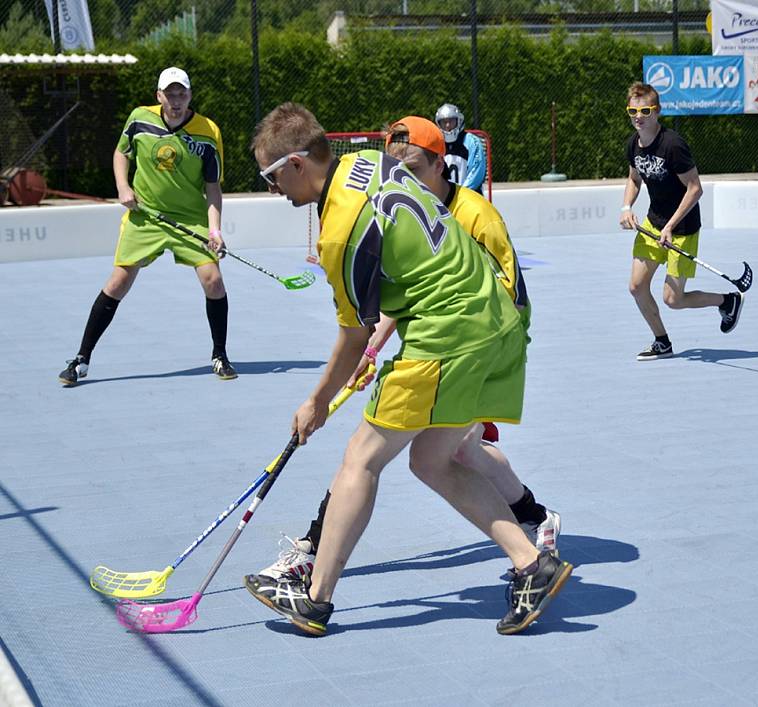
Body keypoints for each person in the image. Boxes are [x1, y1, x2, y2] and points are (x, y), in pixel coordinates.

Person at [244, 102, 572, 636]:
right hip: (493, 321)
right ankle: (532, 563)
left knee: (361, 458)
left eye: (271, 176)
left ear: (299, 163)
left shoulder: (335, 235)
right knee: (432, 460)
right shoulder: (368, 163)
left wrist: (317, 402)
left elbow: (352, 335)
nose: (271, 188)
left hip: (446, 334)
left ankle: (316, 599)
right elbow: (410, 260)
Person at [58, 66, 237, 385]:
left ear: (190, 95)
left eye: (182, 93)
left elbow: (212, 188)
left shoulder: (208, 131)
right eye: (170, 94)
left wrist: (215, 230)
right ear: (159, 96)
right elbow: (120, 153)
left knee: (214, 282)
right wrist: (123, 188)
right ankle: (81, 359)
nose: (177, 100)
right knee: (117, 284)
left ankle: (220, 355)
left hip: (189, 218)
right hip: (146, 216)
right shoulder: (140, 118)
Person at [620, 82, 744, 361]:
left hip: (683, 228)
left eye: (645, 110)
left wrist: (671, 227)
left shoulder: (673, 145)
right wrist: (626, 206)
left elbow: (695, 188)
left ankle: (728, 301)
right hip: (653, 224)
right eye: (632, 110)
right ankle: (662, 342)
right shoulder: (633, 143)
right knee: (637, 287)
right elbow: (634, 178)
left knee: (673, 299)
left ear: (657, 111)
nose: (638, 116)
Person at [434, 103, 486, 194]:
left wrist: (461, 193)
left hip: (469, 197)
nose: (447, 125)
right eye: (444, 122)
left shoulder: (471, 141)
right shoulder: (436, 144)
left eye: (451, 121)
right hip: (444, 199)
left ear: (459, 121)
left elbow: (477, 170)